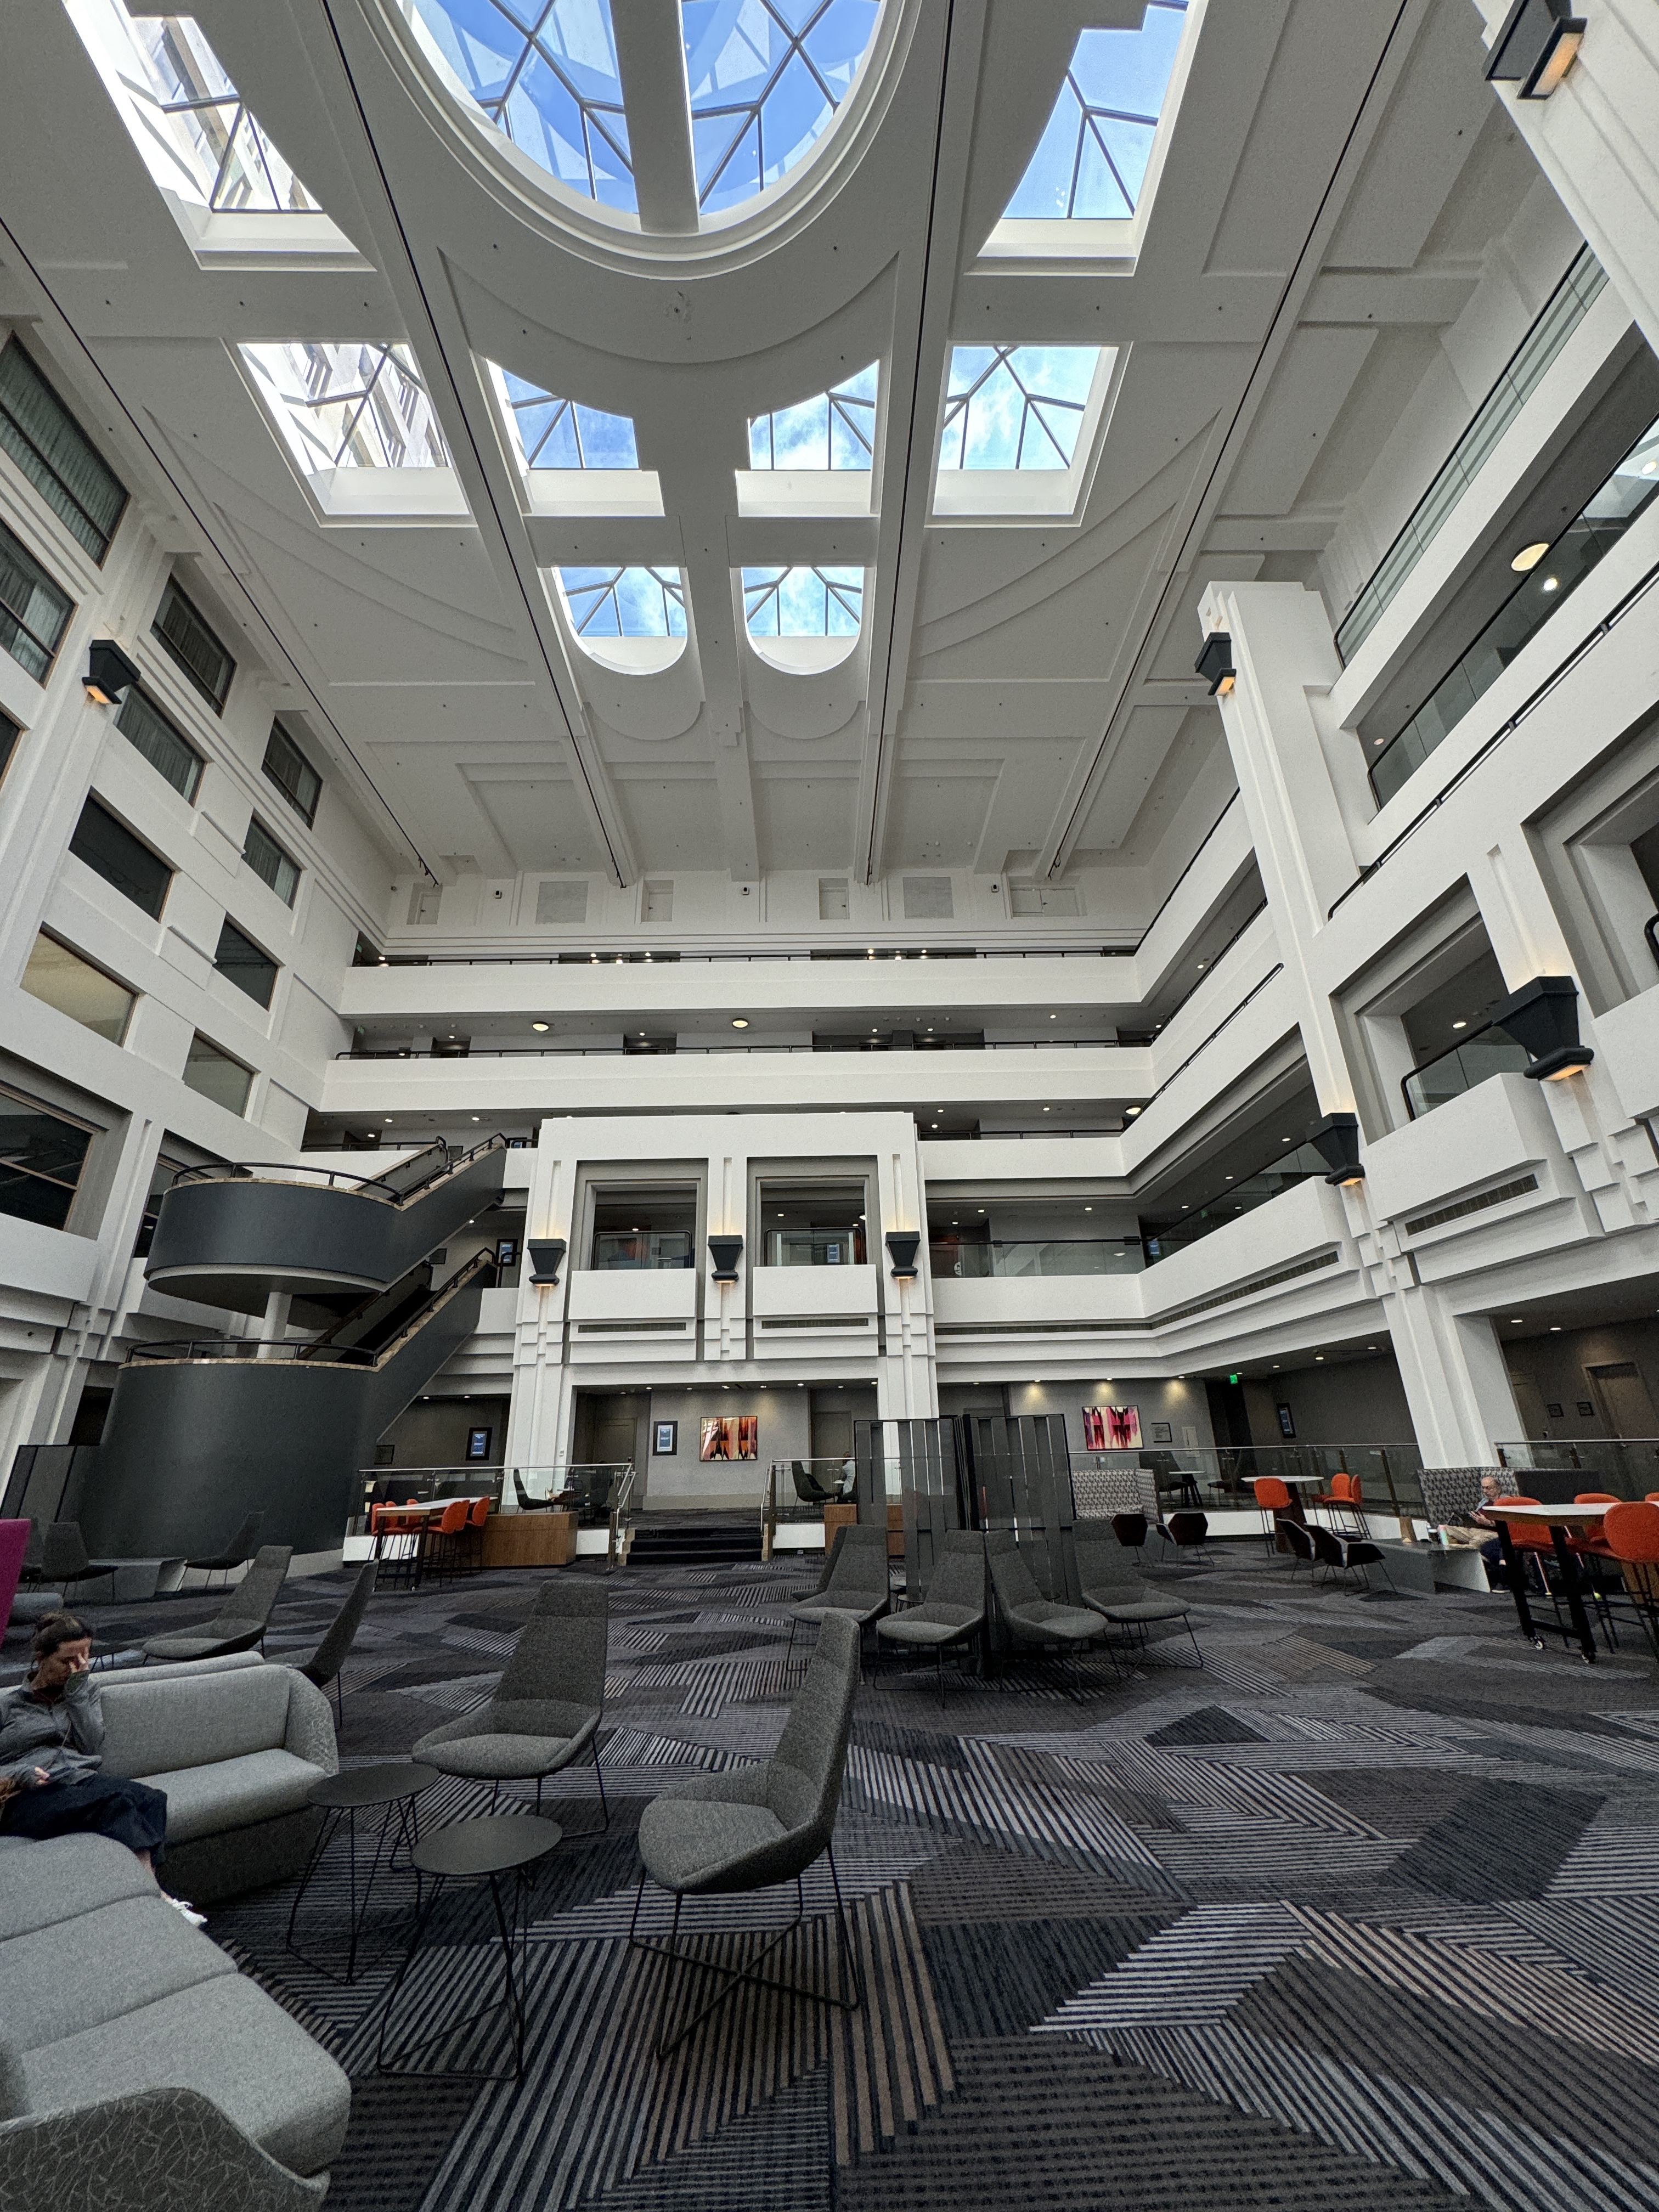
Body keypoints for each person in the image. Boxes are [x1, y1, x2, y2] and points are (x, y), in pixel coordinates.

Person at [0, 1611, 203, 1924]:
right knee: (115, 1806)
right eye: (67, 1660)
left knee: (152, 1799)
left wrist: (78, 1692)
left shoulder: (83, 1691)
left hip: (79, 1778)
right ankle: (156, 1899)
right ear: (41, 1658)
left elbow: (92, 1745)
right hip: (24, 1794)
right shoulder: (8, 1706)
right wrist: (21, 1774)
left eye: (84, 1657)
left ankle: (141, 1894)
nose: (76, 1667)